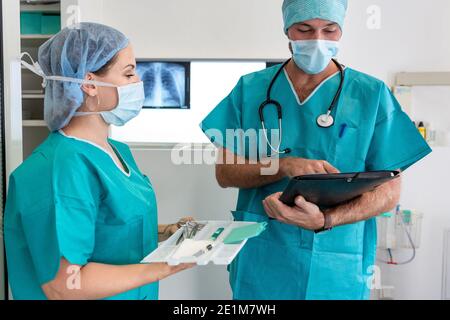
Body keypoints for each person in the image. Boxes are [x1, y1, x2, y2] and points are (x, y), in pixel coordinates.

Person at [200, 0, 432, 299]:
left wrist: (326, 220)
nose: (317, 40)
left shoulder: (370, 95)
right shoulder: (250, 90)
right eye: (305, 29)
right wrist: (283, 166)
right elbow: (226, 172)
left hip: (337, 263)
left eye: (329, 30)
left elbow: (389, 193)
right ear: (288, 30)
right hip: (265, 257)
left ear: (341, 31)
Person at [4, 22, 194, 300]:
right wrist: (163, 267)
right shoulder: (60, 168)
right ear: (90, 84)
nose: (138, 82)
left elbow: (105, 228)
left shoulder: (116, 151)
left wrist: (167, 232)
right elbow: (63, 285)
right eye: (128, 73)